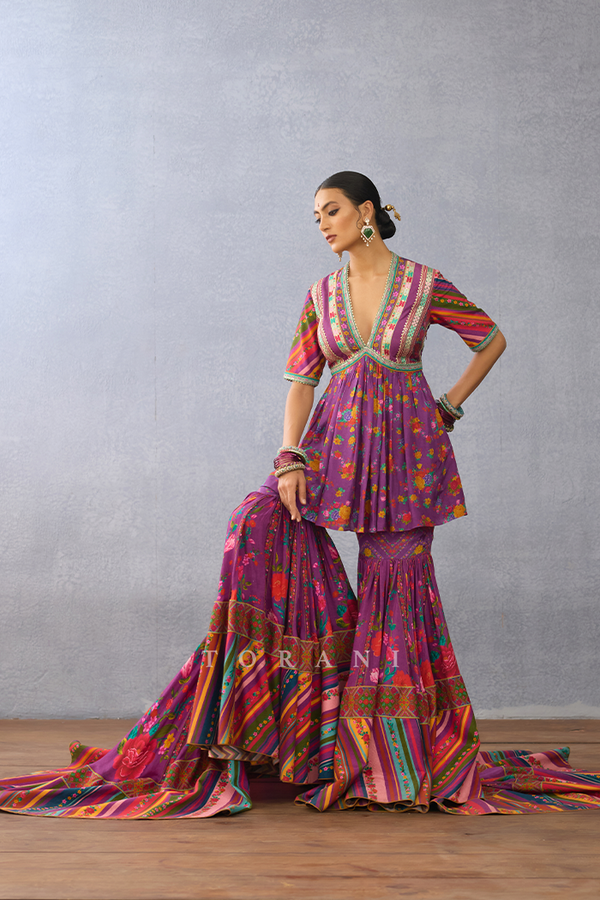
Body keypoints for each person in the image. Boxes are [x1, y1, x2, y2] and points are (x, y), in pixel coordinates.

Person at [1, 172, 599, 818]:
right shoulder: (321, 295)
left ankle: (388, 756)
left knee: (395, 590)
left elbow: (491, 339)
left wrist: (447, 406)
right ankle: (269, 727)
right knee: (255, 523)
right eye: (316, 215)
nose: (322, 224)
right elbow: (301, 382)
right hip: (332, 450)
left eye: (331, 211)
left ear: (366, 212)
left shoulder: (424, 285)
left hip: (406, 457)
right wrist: (290, 457)